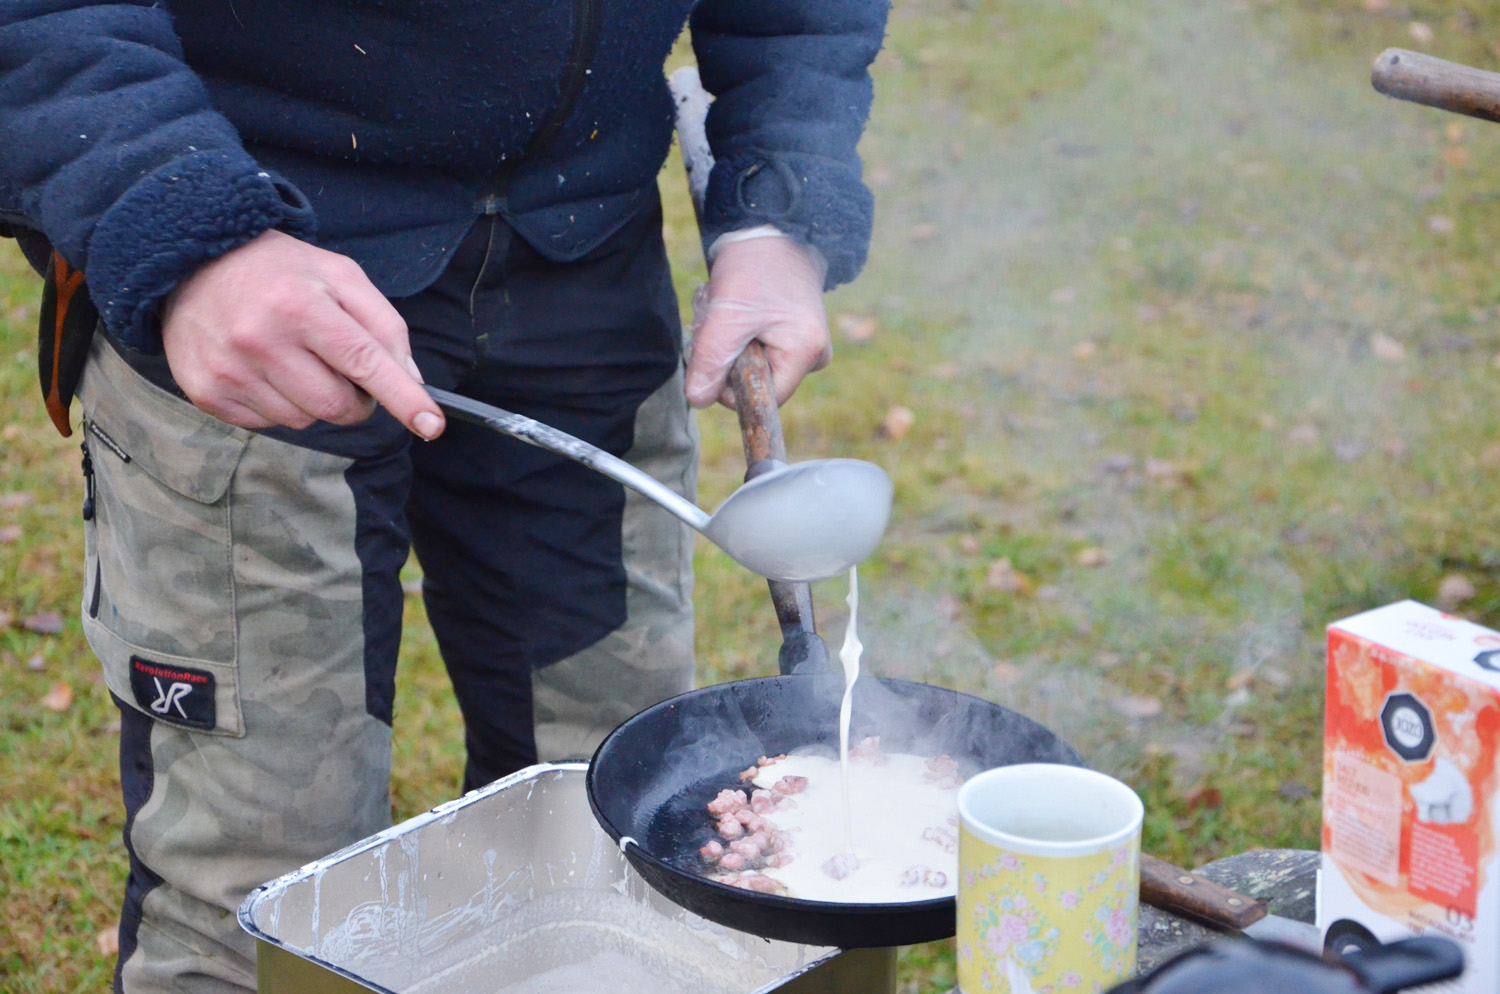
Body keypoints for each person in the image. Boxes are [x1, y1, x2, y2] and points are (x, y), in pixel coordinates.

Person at [0, 2, 888, 991]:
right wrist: (179, 219)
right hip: (250, 267)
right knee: (260, 894)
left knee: (619, 817)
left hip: (583, 250)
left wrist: (783, 205)